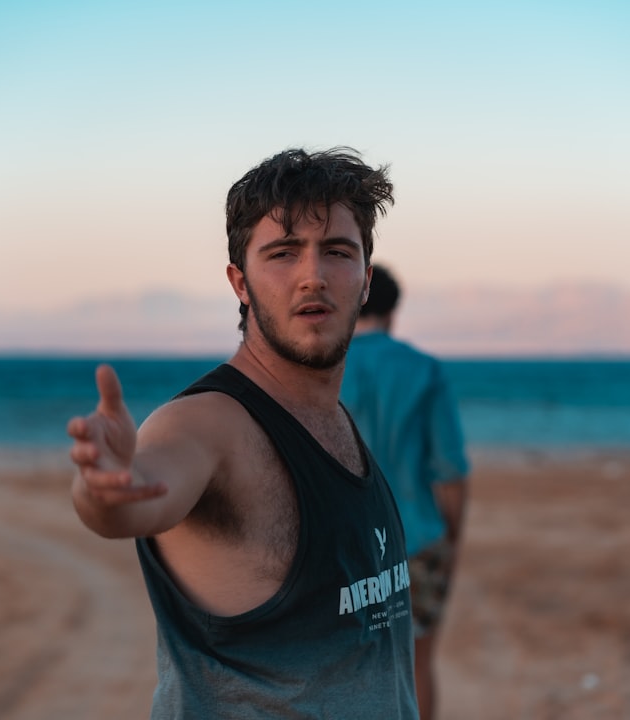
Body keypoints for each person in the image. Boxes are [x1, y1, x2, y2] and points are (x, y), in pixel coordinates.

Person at [67, 148, 418, 719]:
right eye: (283, 253)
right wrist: (105, 487)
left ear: (364, 279)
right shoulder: (209, 424)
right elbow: (139, 495)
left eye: (336, 251)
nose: (313, 275)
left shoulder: (333, 418)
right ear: (241, 283)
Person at [339, 265, 469, 720]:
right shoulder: (425, 370)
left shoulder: (325, 367)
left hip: (344, 546)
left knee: (345, 668)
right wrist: (452, 535)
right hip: (418, 537)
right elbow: (450, 469)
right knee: (416, 663)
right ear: (393, 310)